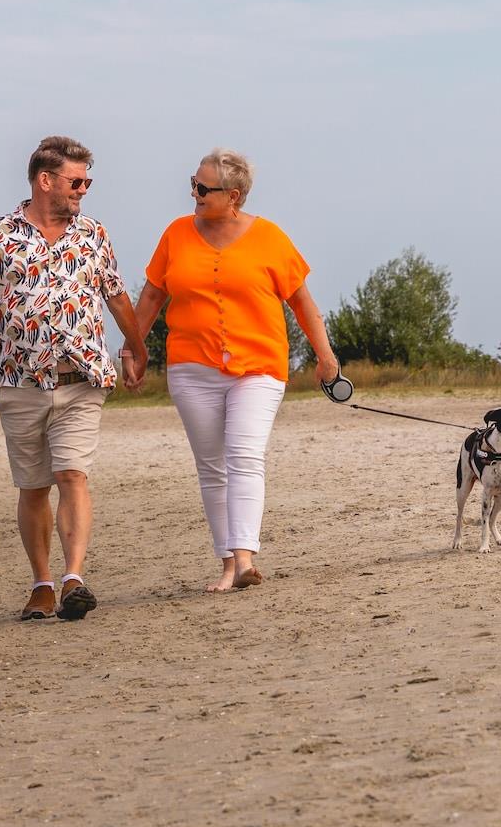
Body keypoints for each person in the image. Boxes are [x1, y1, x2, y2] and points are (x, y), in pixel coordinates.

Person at [124, 149, 340, 592]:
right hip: (191, 369)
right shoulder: (175, 234)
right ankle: (227, 564)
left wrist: (326, 356)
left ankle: (244, 560)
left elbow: (302, 303)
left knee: (244, 455)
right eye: (193, 183)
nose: (194, 193)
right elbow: (151, 298)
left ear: (234, 195)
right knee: (211, 467)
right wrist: (133, 349)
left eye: (204, 188)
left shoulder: (270, 238)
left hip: (259, 367)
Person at [0, 135, 150, 622]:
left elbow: (115, 295)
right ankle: (42, 585)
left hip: (80, 378)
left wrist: (136, 345)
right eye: (76, 181)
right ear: (45, 181)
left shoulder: (93, 234)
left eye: (87, 182)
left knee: (72, 474)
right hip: (20, 380)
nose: (83, 189)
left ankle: (74, 579)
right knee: (33, 487)